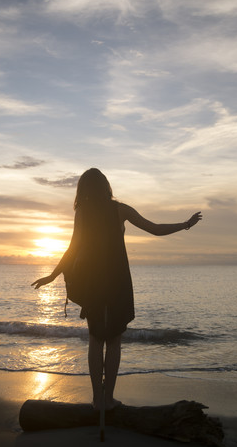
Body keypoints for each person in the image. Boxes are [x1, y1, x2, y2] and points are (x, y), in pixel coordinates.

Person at [31, 168, 202, 410]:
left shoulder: (82, 212)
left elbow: (72, 249)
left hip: (93, 281)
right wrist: (185, 224)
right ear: (106, 187)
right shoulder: (121, 209)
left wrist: (53, 275)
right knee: (113, 341)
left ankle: (97, 399)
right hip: (117, 281)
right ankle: (108, 399)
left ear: (83, 189)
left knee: (95, 339)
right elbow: (154, 228)